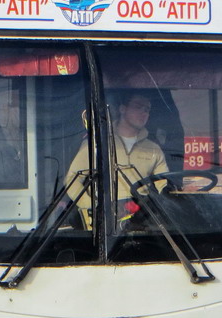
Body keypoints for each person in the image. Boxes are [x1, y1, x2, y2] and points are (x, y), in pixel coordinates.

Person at [68, 92, 168, 228]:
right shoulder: (98, 144)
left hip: (141, 220)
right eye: (138, 107)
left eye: (147, 109)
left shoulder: (154, 149)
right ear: (122, 109)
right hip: (105, 224)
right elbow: (72, 180)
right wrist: (94, 206)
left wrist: (176, 192)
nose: (143, 113)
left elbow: (164, 185)